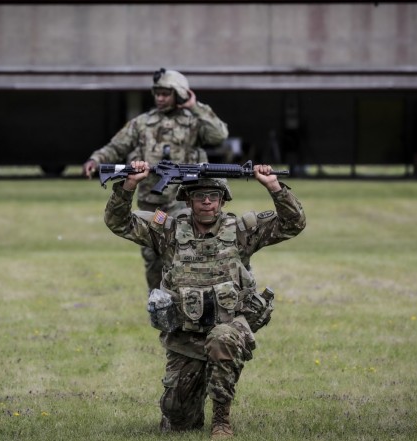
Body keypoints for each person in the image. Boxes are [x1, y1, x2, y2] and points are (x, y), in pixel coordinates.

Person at [104, 161, 306, 438]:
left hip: (229, 327)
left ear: (223, 200)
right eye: (200, 196)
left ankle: (222, 420)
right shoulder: (168, 231)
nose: (207, 202)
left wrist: (273, 187)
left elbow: (293, 223)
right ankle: (188, 407)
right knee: (178, 419)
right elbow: (119, 222)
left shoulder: (241, 230)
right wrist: (129, 184)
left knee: (222, 338)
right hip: (186, 335)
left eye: (214, 196)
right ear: (187, 199)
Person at [83, 68, 229, 291]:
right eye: (157, 93)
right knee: (153, 258)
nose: (160, 98)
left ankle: (188, 308)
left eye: (166, 93)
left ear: (179, 94)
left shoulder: (194, 121)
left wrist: (195, 107)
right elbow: (116, 146)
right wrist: (96, 159)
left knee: (186, 255)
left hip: (185, 202)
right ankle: (159, 308)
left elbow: (219, 135)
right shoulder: (142, 123)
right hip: (152, 203)